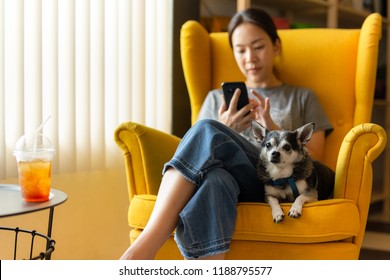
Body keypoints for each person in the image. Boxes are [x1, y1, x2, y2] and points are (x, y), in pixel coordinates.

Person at [120, 8, 333, 260]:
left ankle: (144, 248)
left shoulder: (302, 97)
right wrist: (226, 127)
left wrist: (272, 132)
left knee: (206, 129)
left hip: (268, 182)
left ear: (276, 46)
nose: (250, 57)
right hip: (228, 182)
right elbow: (194, 155)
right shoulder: (215, 99)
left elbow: (316, 160)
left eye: (258, 47)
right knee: (215, 177)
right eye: (240, 50)